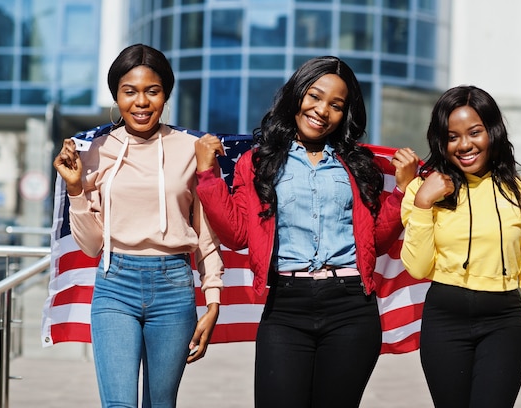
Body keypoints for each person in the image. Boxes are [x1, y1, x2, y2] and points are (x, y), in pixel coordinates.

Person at [193, 56, 419, 408]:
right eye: (314, 96)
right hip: (285, 307)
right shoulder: (258, 161)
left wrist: (404, 192)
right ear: (296, 95)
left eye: (336, 105)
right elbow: (237, 235)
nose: (322, 110)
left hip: (352, 308)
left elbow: (375, 242)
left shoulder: (358, 165)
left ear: (346, 115)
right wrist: (207, 176)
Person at [52, 43, 224, 407]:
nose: (141, 102)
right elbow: (90, 245)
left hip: (174, 286)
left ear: (166, 96)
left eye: (153, 91)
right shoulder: (95, 150)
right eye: (130, 92)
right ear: (116, 95)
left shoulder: (192, 148)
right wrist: (75, 188)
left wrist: (213, 300)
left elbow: (206, 237)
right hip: (115, 284)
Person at [400, 85, 521, 407]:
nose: (464, 145)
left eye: (474, 132)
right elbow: (417, 267)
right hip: (443, 320)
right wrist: (420, 202)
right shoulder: (424, 190)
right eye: (452, 136)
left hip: (503, 323)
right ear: (441, 141)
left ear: (493, 131)